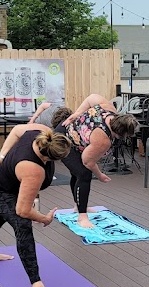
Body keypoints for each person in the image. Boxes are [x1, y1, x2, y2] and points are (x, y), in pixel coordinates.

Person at [0, 124, 71, 287]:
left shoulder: (42, 132)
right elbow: (23, 211)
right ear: (48, 158)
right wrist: (43, 218)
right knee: (22, 224)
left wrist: (1, 157)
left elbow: (15, 130)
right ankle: (36, 285)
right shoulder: (34, 170)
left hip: (12, 185)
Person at [56, 93, 139, 229]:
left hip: (73, 136)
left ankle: (79, 206)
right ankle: (82, 216)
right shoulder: (103, 139)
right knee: (84, 174)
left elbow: (92, 97)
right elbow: (87, 161)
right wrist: (100, 175)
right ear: (121, 134)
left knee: (76, 173)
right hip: (63, 139)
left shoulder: (110, 110)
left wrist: (77, 113)